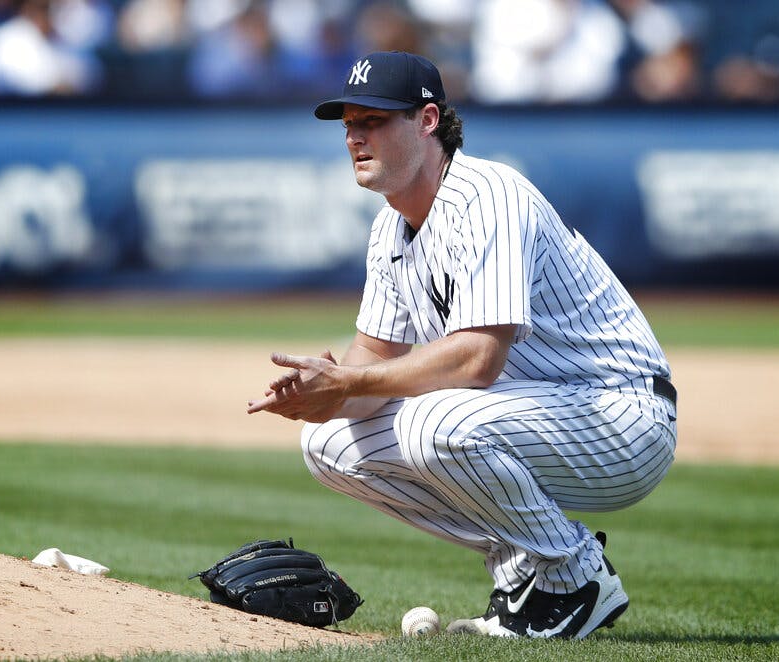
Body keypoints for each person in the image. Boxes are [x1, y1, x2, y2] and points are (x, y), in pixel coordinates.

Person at [247, 51, 677, 640]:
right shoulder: (390, 228)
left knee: (435, 422)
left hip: (618, 415)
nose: (354, 137)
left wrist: (351, 383)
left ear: (427, 121)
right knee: (326, 443)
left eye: (373, 120)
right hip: (535, 414)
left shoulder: (488, 194)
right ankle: (528, 574)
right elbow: (371, 362)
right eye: (349, 124)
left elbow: (478, 360)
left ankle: (576, 574)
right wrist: (323, 393)